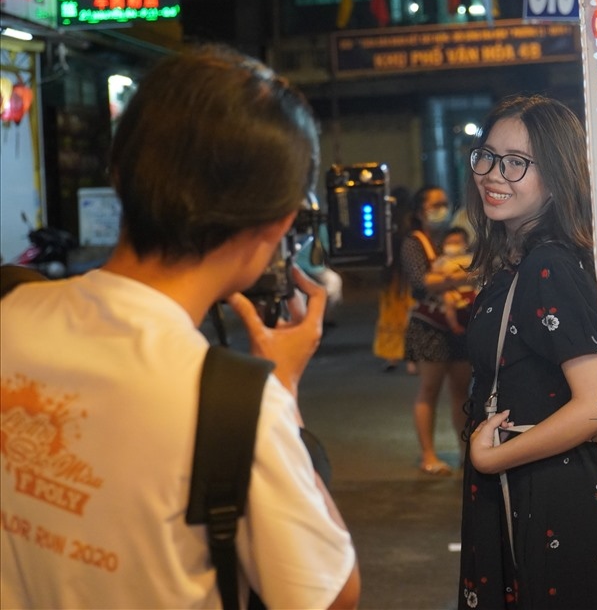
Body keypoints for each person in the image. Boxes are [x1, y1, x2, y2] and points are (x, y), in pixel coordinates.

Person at [0, 46, 360, 609]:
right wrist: (284, 398)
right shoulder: (232, 403)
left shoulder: (10, 308)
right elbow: (331, 596)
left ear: (119, 171)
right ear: (281, 222)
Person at [458, 94, 597, 609]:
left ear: (556, 175)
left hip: (546, 494)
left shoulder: (548, 264)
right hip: (525, 486)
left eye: (516, 163)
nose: (493, 174)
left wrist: (492, 459)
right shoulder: (519, 261)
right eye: (486, 156)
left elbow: (594, 405)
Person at [401, 185, 472, 476]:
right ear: (420, 211)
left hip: (460, 325)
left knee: (462, 392)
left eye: (445, 203)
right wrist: (460, 277)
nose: (442, 208)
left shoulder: (448, 238)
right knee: (429, 390)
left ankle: (466, 453)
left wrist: (450, 276)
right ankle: (428, 455)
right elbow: (422, 282)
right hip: (428, 326)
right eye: (435, 204)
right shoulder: (413, 243)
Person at [373, 186, 416, 373]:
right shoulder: (412, 222)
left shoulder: (386, 221)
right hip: (407, 275)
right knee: (410, 314)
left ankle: (391, 357)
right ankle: (412, 361)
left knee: (390, 315)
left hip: (390, 275)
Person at [433, 226, 477, 335]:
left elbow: (478, 271)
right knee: (448, 299)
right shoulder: (442, 260)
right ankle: (454, 326)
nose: (452, 246)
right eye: (449, 243)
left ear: (465, 244)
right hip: (453, 292)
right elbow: (434, 272)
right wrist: (444, 276)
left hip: (471, 291)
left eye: (456, 242)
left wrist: (461, 275)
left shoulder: (470, 258)